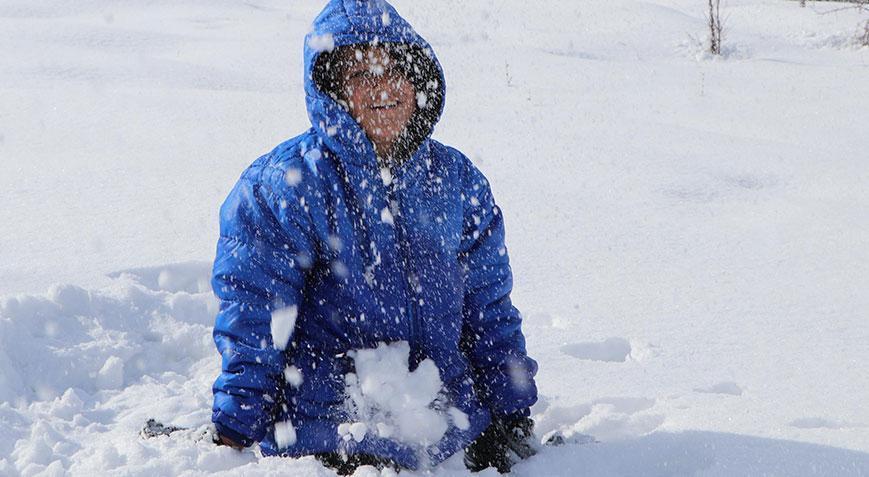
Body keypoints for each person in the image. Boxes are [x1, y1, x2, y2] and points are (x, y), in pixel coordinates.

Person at [210, 0, 538, 473]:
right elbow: (256, 317)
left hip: (453, 433)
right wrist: (235, 426)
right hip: (335, 437)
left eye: (393, 69)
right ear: (333, 91)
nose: (382, 86)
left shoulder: (457, 180)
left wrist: (512, 405)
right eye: (360, 74)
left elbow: (489, 307)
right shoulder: (282, 187)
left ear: (417, 80)